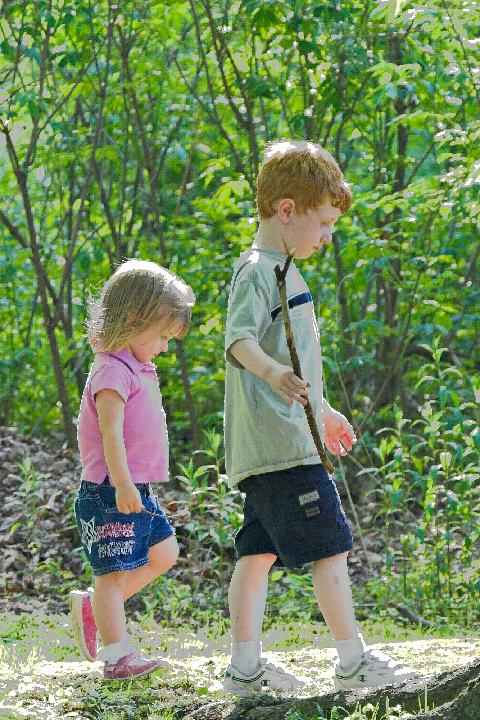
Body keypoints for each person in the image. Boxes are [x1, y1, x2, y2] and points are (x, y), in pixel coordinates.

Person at [222, 141, 416, 695]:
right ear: (287, 211)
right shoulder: (258, 271)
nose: (329, 234)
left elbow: (296, 359)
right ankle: (353, 660)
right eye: (324, 222)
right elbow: (238, 340)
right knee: (329, 545)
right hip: (279, 445)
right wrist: (271, 375)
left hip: (279, 443)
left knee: (256, 553)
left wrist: (322, 409)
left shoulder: (282, 270)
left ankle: (244, 667)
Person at [69, 259, 195, 680]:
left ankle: (95, 609)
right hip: (110, 491)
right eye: (161, 336)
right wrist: (123, 484)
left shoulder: (137, 366)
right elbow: (111, 435)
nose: (164, 346)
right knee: (112, 571)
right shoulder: (111, 370)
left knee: (165, 553)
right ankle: (116, 656)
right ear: (133, 320)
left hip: (134, 488)